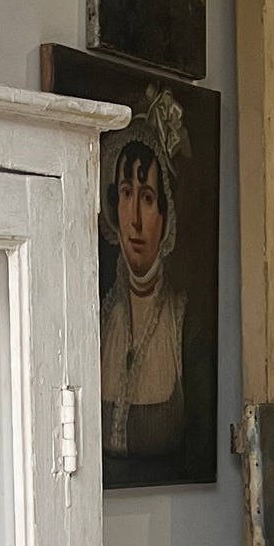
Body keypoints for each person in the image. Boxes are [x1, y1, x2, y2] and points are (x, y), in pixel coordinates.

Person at [100, 88, 191, 463]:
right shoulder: (100, 317)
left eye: (148, 198)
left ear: (165, 215)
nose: (135, 218)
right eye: (126, 193)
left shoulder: (184, 321)